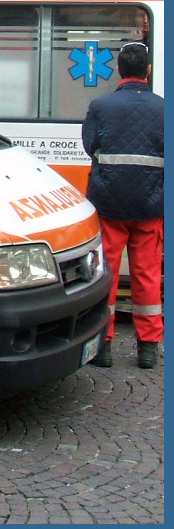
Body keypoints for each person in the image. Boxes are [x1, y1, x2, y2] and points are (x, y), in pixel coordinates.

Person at [82, 42, 163, 369]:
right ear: (148, 71)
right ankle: (147, 348)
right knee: (147, 274)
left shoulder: (101, 106)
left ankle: (105, 346)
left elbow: (91, 146)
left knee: (108, 273)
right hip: (150, 204)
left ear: (118, 70)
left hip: (109, 201)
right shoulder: (164, 108)